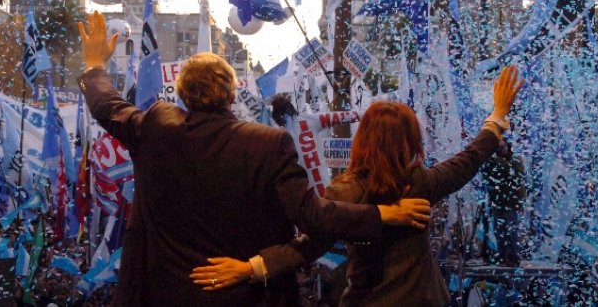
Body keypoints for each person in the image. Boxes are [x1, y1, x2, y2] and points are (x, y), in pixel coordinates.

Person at [77, 11, 432, 306]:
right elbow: (313, 216)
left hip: (167, 295)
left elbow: (106, 105)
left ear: (183, 92)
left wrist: (95, 63)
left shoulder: (155, 127)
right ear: (231, 94)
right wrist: (381, 213)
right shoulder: (268, 143)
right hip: (248, 296)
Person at [193, 65, 524, 306]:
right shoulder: (420, 183)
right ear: (410, 142)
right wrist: (497, 115)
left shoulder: (344, 192)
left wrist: (250, 268)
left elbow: (307, 246)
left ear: (363, 140)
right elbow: (469, 160)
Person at [481, 139, 527, 267]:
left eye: (503, 147)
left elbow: (511, 174)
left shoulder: (516, 161)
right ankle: (503, 256)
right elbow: (487, 176)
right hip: (498, 202)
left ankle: (512, 257)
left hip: (511, 203)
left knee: (511, 231)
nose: (501, 150)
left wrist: (494, 160)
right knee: (499, 231)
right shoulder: (492, 161)